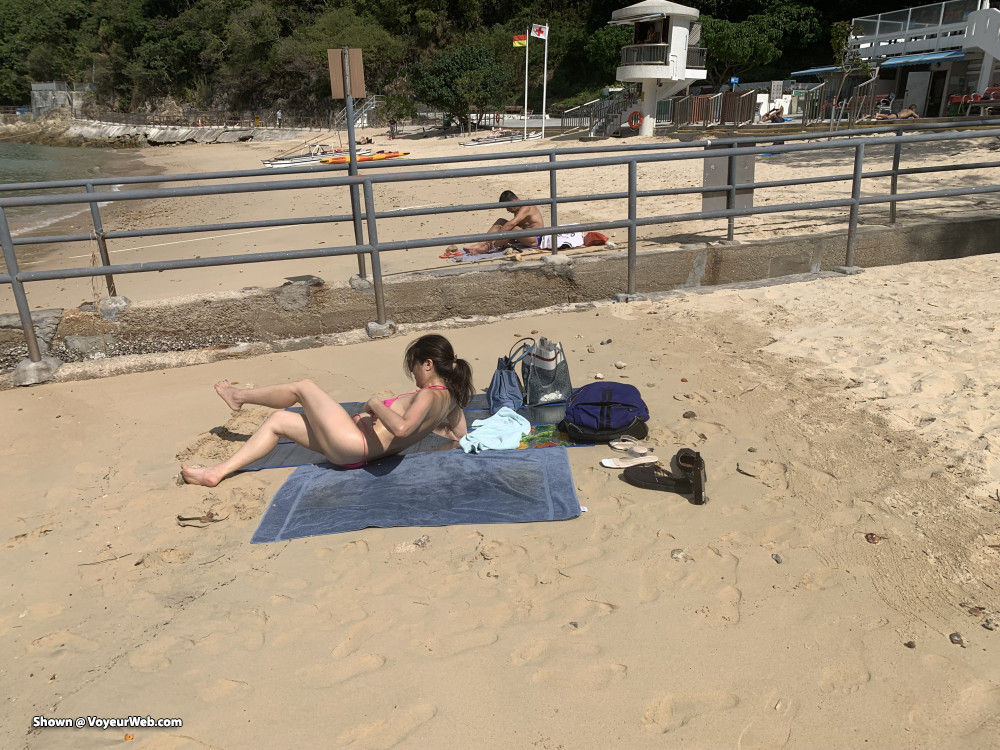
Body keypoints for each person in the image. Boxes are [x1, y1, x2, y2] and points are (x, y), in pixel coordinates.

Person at [180, 334, 474, 487]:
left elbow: (402, 429)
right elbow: (458, 435)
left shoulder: (426, 395)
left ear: (427, 364)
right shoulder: (451, 400)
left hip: (352, 445)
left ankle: (238, 396)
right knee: (280, 420)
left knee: (304, 387)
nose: (413, 374)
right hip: (355, 453)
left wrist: (373, 405)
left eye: (414, 366)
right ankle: (217, 472)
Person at [460, 190, 545, 256]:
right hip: (525, 237)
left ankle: (486, 249)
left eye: (508, 207)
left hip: (535, 240)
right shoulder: (518, 210)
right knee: (501, 221)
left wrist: (498, 236)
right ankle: (479, 245)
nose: (507, 210)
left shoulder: (527, 206)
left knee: (512, 227)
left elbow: (512, 224)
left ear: (512, 202)